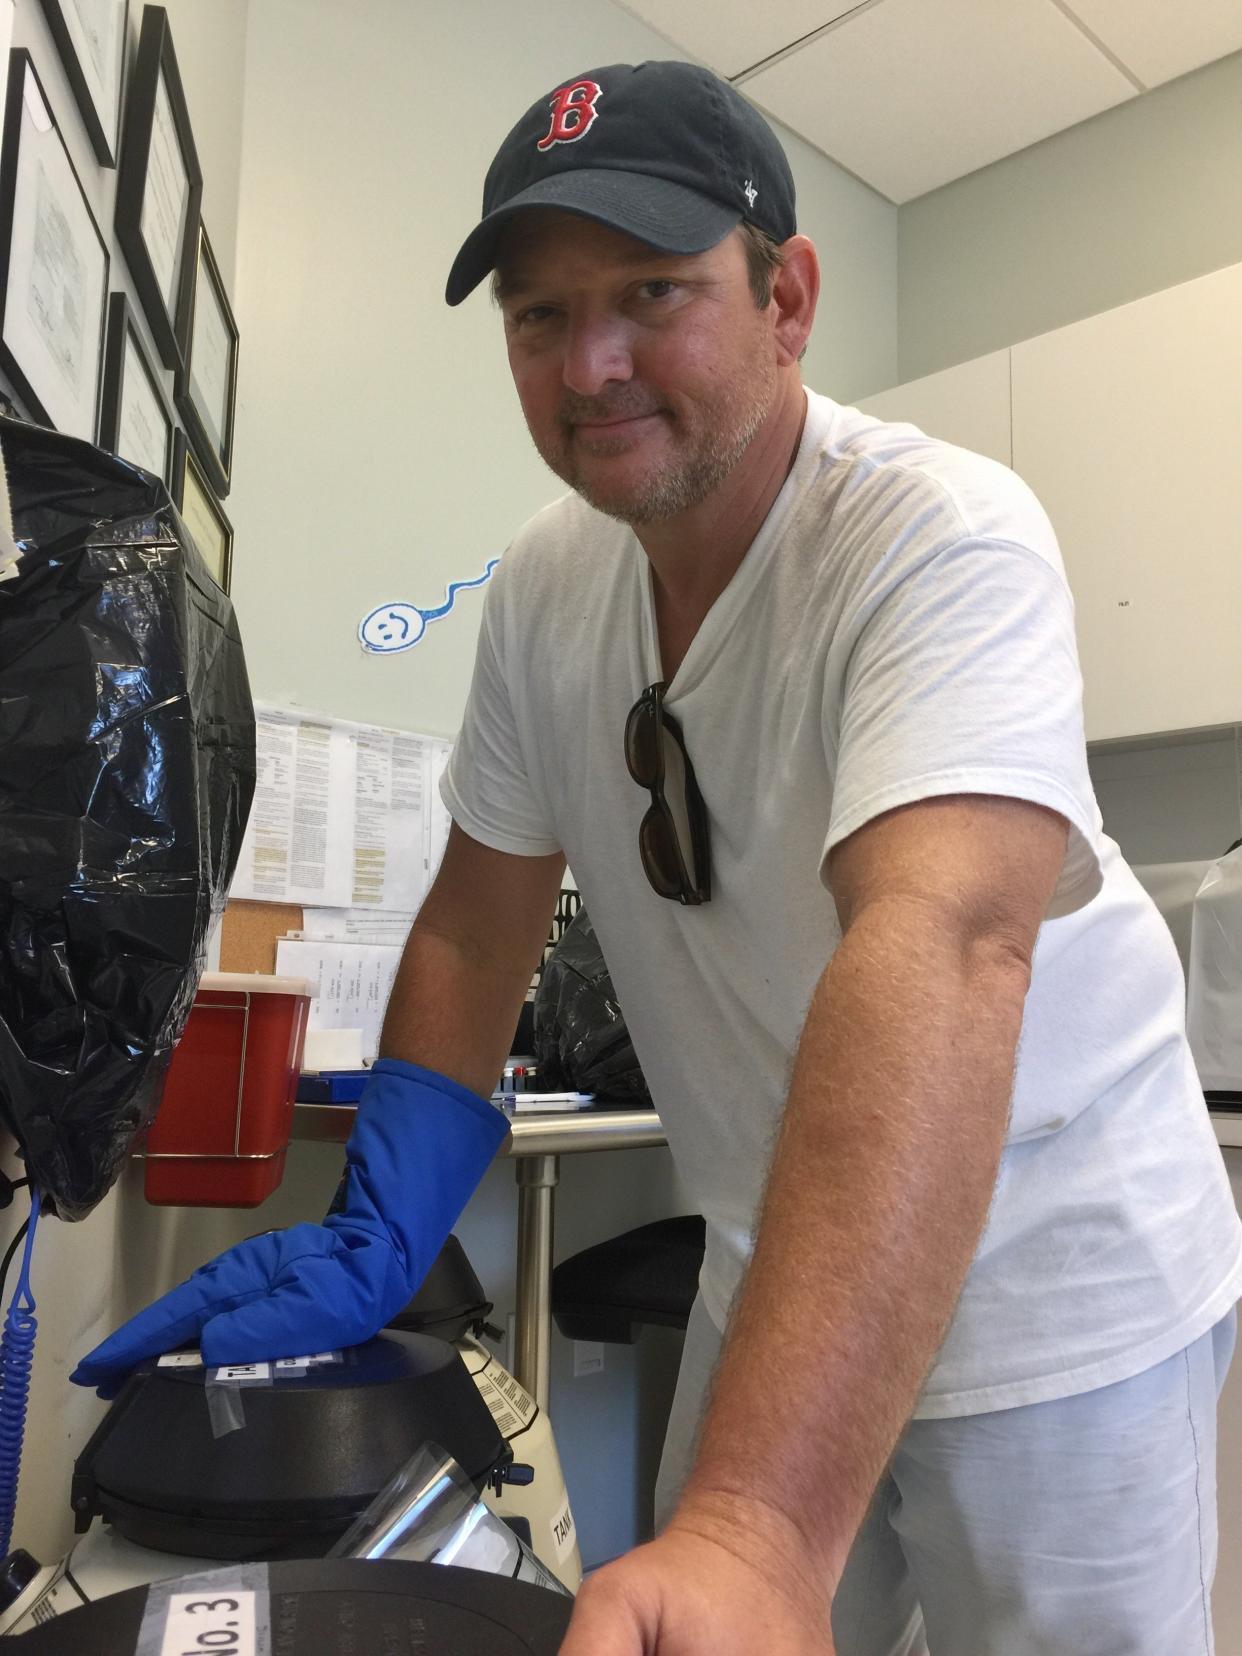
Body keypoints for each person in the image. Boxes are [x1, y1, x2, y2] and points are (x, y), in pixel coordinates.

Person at [76, 60, 1242, 1655]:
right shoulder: (549, 590)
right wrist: (383, 1226)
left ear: (788, 300)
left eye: (650, 292)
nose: (590, 363)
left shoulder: (935, 537)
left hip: (1059, 1292)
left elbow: (945, 942)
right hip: (773, 1272)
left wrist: (761, 1530)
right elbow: (477, 932)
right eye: (539, 317)